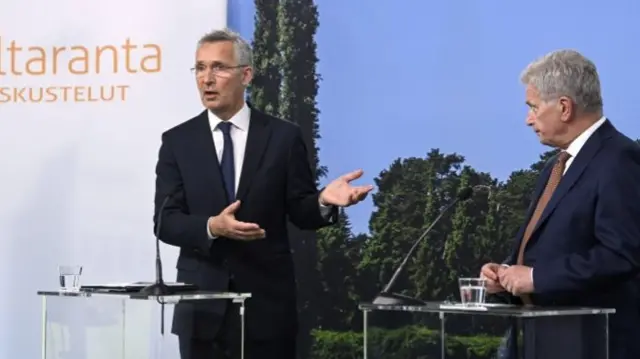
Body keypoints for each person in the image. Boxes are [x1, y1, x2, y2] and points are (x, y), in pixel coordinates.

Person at [153, 28, 373, 359]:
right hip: (201, 311)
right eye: (200, 68)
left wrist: (324, 201)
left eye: (219, 67)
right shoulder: (177, 142)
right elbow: (165, 221)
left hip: (266, 309)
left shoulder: (283, 137)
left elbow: (300, 211)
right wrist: (213, 226)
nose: (207, 79)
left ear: (246, 75)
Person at [480, 49, 640, 359]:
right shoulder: (555, 167)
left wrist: (536, 278)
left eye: (533, 107)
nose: (528, 119)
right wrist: (505, 276)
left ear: (564, 107)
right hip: (536, 340)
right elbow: (546, 251)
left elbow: (622, 254)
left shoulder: (619, 159)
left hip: (589, 344)